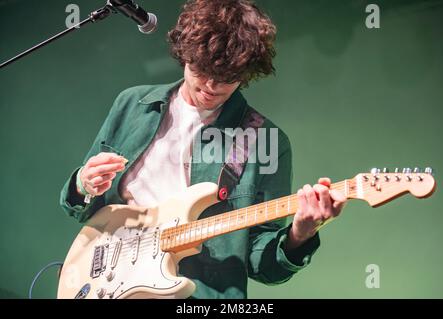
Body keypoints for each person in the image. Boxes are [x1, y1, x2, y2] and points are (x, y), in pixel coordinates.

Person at [60, 0, 346, 299]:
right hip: (109, 280)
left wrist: (300, 234)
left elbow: (260, 264)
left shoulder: (265, 140)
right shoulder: (132, 104)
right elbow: (84, 209)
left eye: (227, 77)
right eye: (203, 69)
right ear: (185, 53)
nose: (211, 85)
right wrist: (83, 184)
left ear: (247, 73)